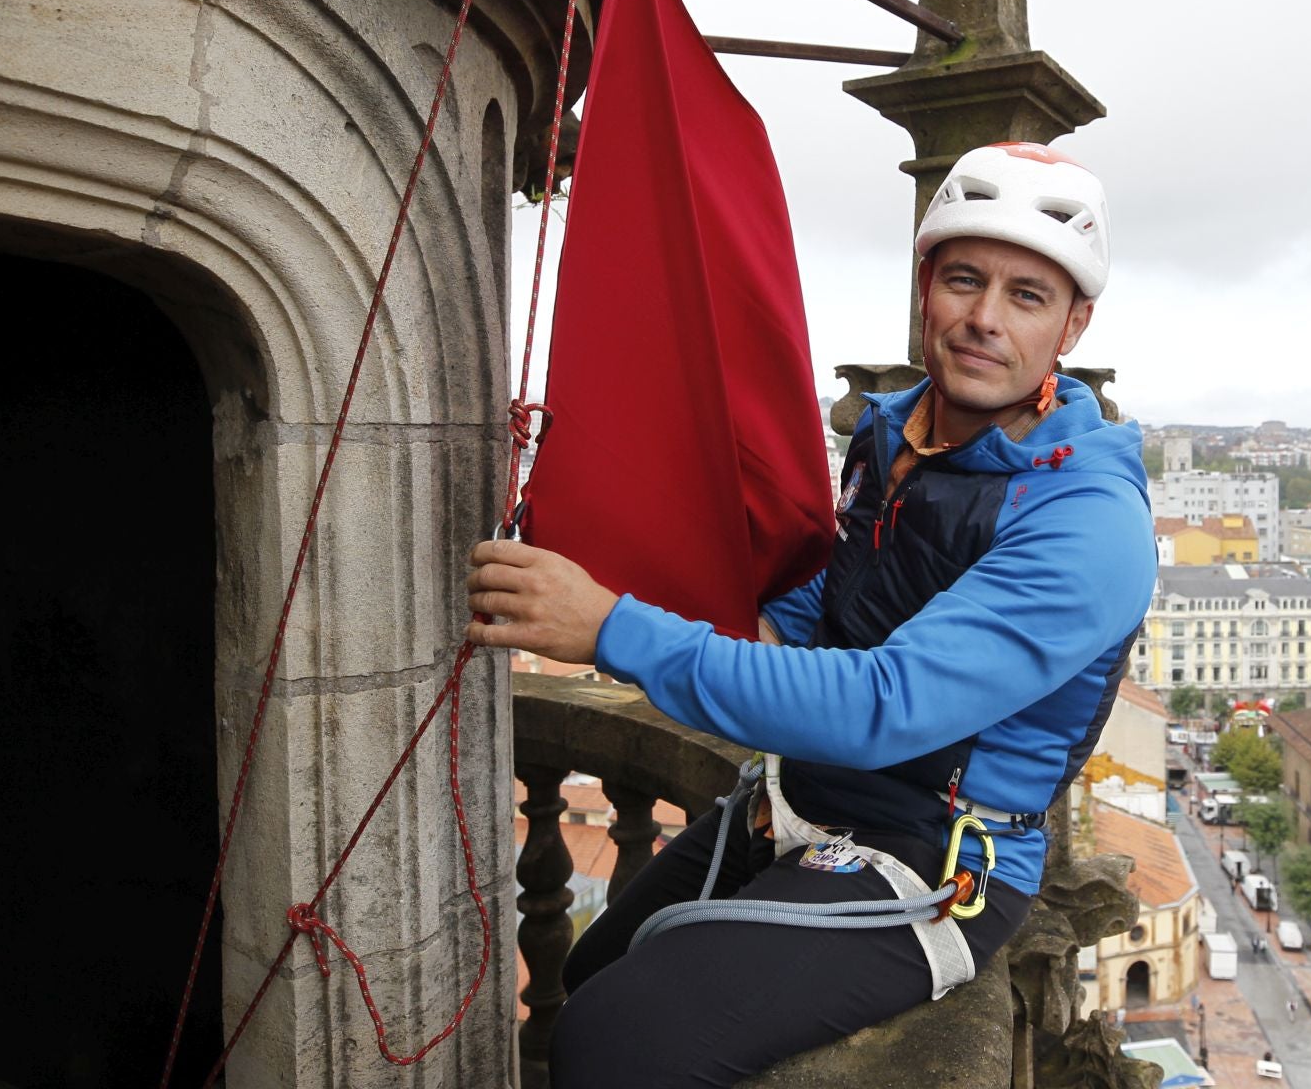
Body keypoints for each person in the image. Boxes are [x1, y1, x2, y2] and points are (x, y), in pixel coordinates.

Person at [466, 142, 1156, 1087]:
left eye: (1027, 297)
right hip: (805, 797)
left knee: (619, 1040)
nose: (984, 320)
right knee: (589, 970)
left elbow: (888, 702)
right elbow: (825, 595)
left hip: (940, 851)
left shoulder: (1086, 519)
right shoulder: (892, 434)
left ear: (1072, 324)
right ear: (925, 288)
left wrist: (613, 628)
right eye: (963, 280)